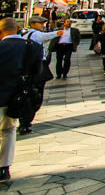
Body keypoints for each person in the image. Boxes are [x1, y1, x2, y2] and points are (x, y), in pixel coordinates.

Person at [0, 17, 44, 182]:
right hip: (18, 96)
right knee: (9, 131)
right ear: (18, 30)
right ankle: (4, 167)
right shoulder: (33, 47)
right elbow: (38, 72)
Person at [18, 16, 63, 135]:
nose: (42, 25)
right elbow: (46, 36)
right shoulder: (36, 34)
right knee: (36, 94)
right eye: (40, 23)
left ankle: (24, 120)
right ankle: (26, 122)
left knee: (28, 93)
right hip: (37, 67)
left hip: (27, 68)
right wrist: (59, 32)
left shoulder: (25, 35)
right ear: (32, 24)